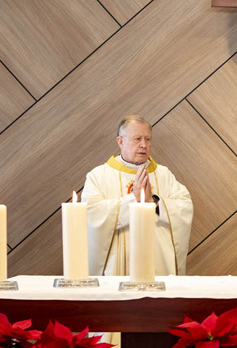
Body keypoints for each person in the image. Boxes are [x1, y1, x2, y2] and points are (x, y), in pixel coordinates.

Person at [82, 115, 193, 277]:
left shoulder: (163, 174)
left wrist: (153, 202)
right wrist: (133, 199)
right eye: (137, 139)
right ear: (120, 141)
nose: (144, 145)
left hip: (158, 264)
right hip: (117, 267)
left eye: (148, 139)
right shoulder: (98, 176)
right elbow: (92, 213)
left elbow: (185, 207)